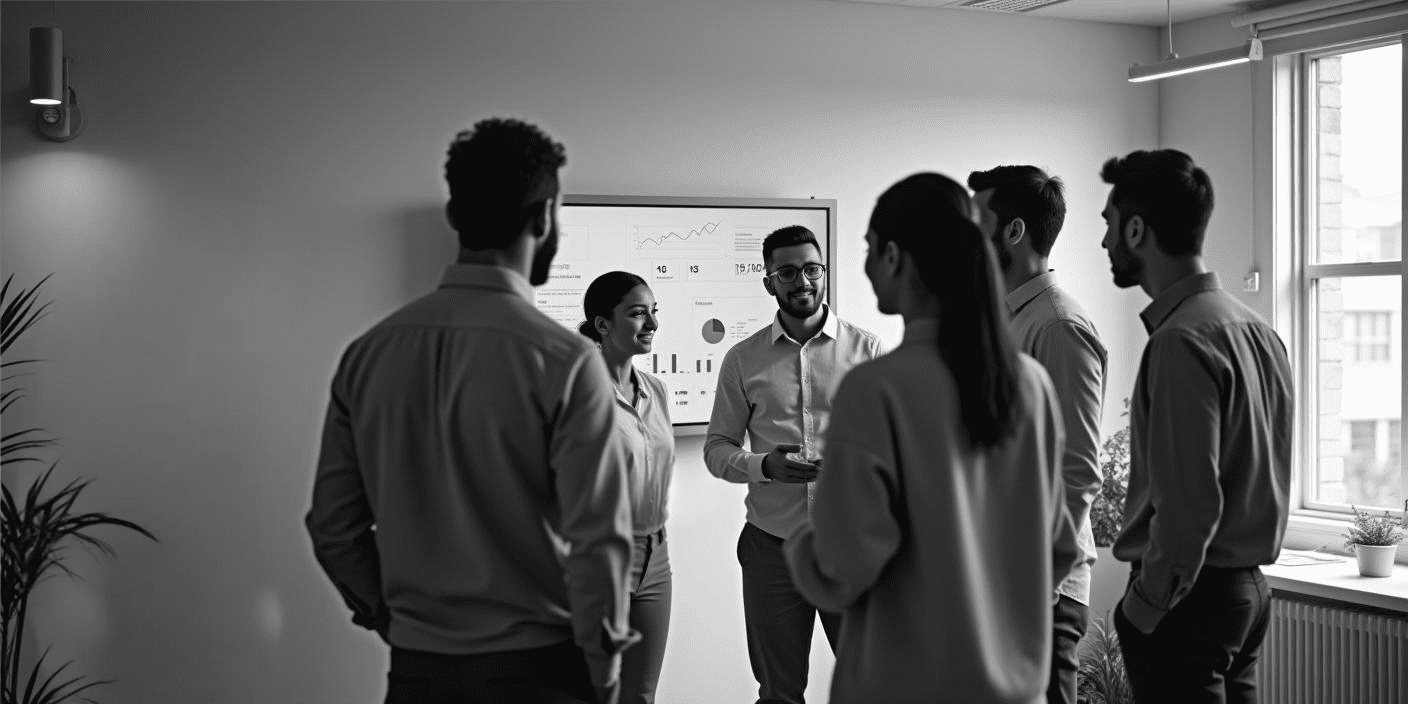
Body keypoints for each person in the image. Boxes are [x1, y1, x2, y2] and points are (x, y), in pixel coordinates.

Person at [305, 117, 638, 704]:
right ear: (544, 218)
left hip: (417, 674)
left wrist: (393, 621)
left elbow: (333, 528)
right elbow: (599, 541)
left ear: (454, 217)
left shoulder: (368, 354)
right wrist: (606, 678)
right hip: (542, 675)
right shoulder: (565, 360)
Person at [783, 172, 1079, 704]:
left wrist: (799, 545)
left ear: (893, 257)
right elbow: (1059, 548)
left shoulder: (875, 390)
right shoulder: (1030, 385)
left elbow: (840, 567)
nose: (867, 265)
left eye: (869, 249)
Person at [1100, 149, 1293, 704]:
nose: (1105, 243)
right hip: (1247, 593)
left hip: (1188, 602)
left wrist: (1143, 609)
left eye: (1110, 226)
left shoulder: (1180, 340)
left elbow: (1188, 506)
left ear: (1137, 230)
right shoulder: (1258, 330)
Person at [703, 224, 883, 704]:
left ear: (824, 272)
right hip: (771, 550)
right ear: (769, 282)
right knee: (779, 692)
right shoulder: (742, 360)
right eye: (787, 272)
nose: (802, 281)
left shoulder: (868, 352)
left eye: (811, 269)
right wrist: (764, 466)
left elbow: (896, 449)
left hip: (852, 545)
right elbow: (716, 449)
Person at [969, 165, 1108, 704]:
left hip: (1040, 591)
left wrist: (1041, 584)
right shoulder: (999, 320)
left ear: (1014, 232)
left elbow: (1076, 469)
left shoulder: (1057, 327)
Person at [578, 271, 674, 704]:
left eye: (653, 312)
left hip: (656, 555)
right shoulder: (579, 392)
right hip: (601, 557)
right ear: (602, 324)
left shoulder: (656, 390)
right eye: (638, 314)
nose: (651, 323)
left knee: (641, 694)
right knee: (595, 691)